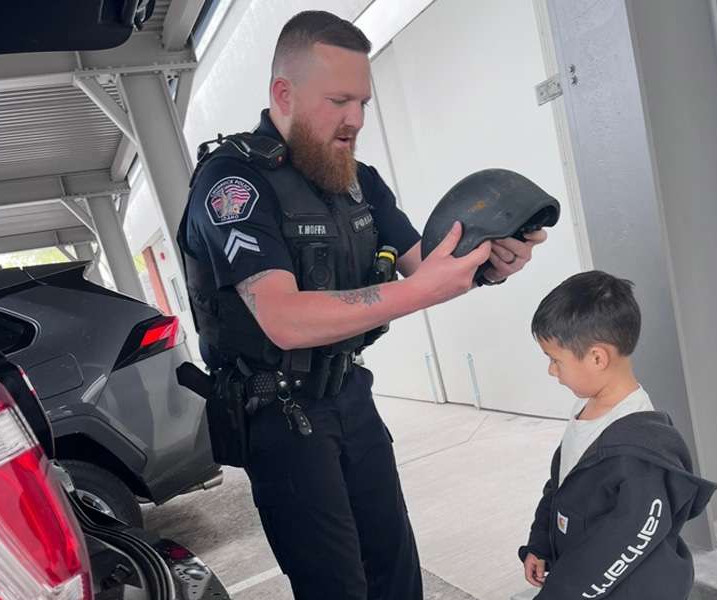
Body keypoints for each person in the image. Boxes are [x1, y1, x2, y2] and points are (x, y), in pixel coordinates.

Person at [178, 10, 546, 600]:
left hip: (350, 395)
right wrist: (417, 292)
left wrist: (489, 261)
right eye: (339, 101)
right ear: (284, 94)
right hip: (279, 415)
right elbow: (284, 317)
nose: (355, 120)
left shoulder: (357, 179)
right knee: (337, 589)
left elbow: (426, 265)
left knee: (396, 574)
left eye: (363, 103)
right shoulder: (233, 184)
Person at [518, 271, 717, 599]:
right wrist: (539, 544)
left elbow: (623, 545)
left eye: (555, 360)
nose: (551, 371)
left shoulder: (639, 452)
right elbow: (560, 487)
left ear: (597, 358)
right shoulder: (585, 413)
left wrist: (561, 594)